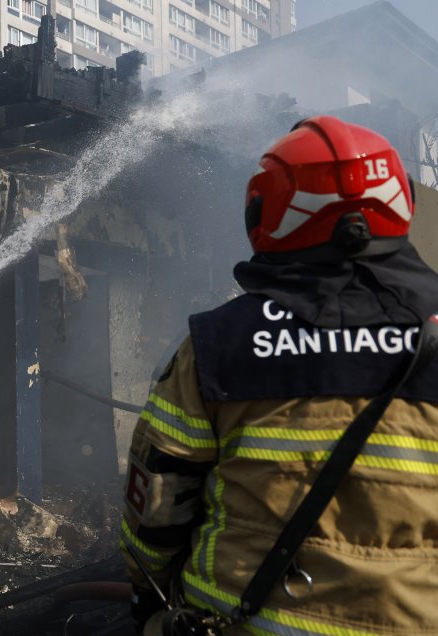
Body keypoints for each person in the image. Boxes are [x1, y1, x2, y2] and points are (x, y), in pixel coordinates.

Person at [120, 116, 438, 635]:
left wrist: (147, 588)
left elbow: (156, 507)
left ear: (266, 212)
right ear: (400, 203)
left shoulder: (215, 345)